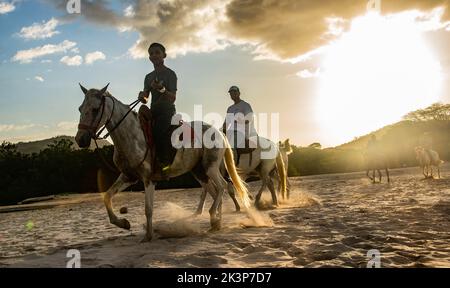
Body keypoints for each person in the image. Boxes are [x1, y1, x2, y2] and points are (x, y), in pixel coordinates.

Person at [138, 43, 177, 177]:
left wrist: (162, 89)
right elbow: (145, 98)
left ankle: (165, 166)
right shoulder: (148, 77)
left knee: (158, 133)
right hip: (153, 110)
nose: (154, 55)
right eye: (151, 53)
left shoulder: (170, 74)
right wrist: (141, 96)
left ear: (164, 55)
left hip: (167, 110)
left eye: (157, 52)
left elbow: (173, 98)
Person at [222, 86, 257, 150]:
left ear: (239, 93)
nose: (233, 94)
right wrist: (222, 132)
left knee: (232, 146)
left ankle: (233, 159)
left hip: (242, 132)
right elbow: (226, 123)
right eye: (231, 93)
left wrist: (241, 121)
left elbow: (249, 118)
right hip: (231, 132)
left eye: (235, 92)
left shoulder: (245, 105)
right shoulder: (230, 108)